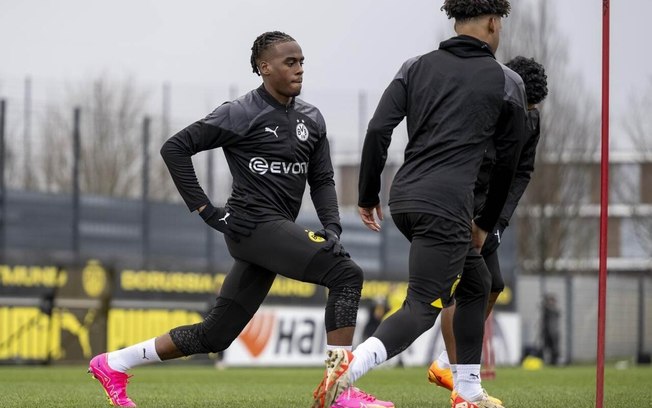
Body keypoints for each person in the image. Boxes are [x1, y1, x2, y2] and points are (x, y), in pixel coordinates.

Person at [88, 31, 392, 408]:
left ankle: (113, 363)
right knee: (347, 274)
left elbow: (323, 179)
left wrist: (332, 226)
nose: (299, 70)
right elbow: (175, 148)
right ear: (264, 68)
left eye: (301, 63)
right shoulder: (241, 112)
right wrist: (207, 210)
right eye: (289, 62)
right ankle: (340, 393)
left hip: (272, 233)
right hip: (251, 227)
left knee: (215, 336)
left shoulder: (312, 118)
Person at [312, 1, 528, 407]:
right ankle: (343, 377)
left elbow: (379, 129)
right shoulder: (507, 81)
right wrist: (485, 221)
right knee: (421, 309)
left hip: (405, 198)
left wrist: (367, 194)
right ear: (494, 22)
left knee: (477, 284)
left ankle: (467, 391)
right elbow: (508, 162)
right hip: (448, 206)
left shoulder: (414, 66)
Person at [428, 56, 548, 397]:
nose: (526, 112)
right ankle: (458, 378)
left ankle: (445, 365)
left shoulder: (531, 120)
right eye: (523, 104)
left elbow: (521, 172)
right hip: (458, 208)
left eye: (532, 107)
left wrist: (498, 219)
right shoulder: (481, 109)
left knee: (492, 285)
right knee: (464, 291)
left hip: (489, 213)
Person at [541, 293, 560, 365]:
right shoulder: (546, 310)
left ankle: (554, 361)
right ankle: (547, 361)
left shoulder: (554, 310)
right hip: (547, 332)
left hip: (554, 332)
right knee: (546, 348)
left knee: (555, 348)